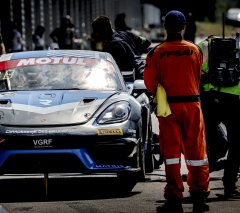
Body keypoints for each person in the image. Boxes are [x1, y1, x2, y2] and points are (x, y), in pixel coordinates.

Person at [144, 10, 210, 213]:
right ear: (184, 27)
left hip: (168, 108)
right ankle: (199, 193)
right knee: (197, 152)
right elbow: (199, 75)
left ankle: (174, 197)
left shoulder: (157, 52)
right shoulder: (194, 50)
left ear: (165, 27)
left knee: (171, 153)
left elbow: (149, 83)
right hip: (192, 105)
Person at [198, 35, 240, 198]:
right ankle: (230, 185)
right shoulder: (238, 45)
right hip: (235, 100)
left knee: (204, 143)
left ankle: (200, 185)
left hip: (210, 99)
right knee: (237, 145)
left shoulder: (203, 46)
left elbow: (193, 70)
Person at [91, 15, 150, 81]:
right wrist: (135, 53)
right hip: (144, 71)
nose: (94, 34)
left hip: (135, 79)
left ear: (102, 31)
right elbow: (146, 42)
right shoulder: (125, 34)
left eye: (96, 32)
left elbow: (110, 71)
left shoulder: (112, 46)